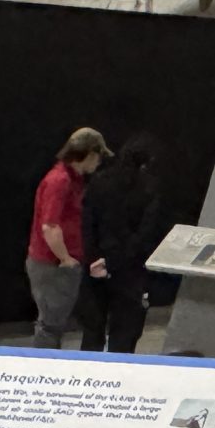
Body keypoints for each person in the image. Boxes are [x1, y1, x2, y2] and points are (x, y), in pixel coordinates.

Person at [78, 134, 167, 354]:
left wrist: (94, 259)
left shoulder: (99, 181)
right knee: (125, 333)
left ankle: (87, 380)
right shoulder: (149, 189)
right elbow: (146, 234)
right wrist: (115, 263)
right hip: (130, 270)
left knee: (92, 332)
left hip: (95, 268)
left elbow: (87, 224)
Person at [25, 126, 107, 347]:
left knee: (82, 320)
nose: (99, 163)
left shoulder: (73, 179)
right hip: (53, 266)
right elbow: (50, 227)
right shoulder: (59, 181)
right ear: (89, 154)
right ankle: (42, 372)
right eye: (98, 157)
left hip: (64, 264)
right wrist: (65, 259)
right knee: (51, 326)